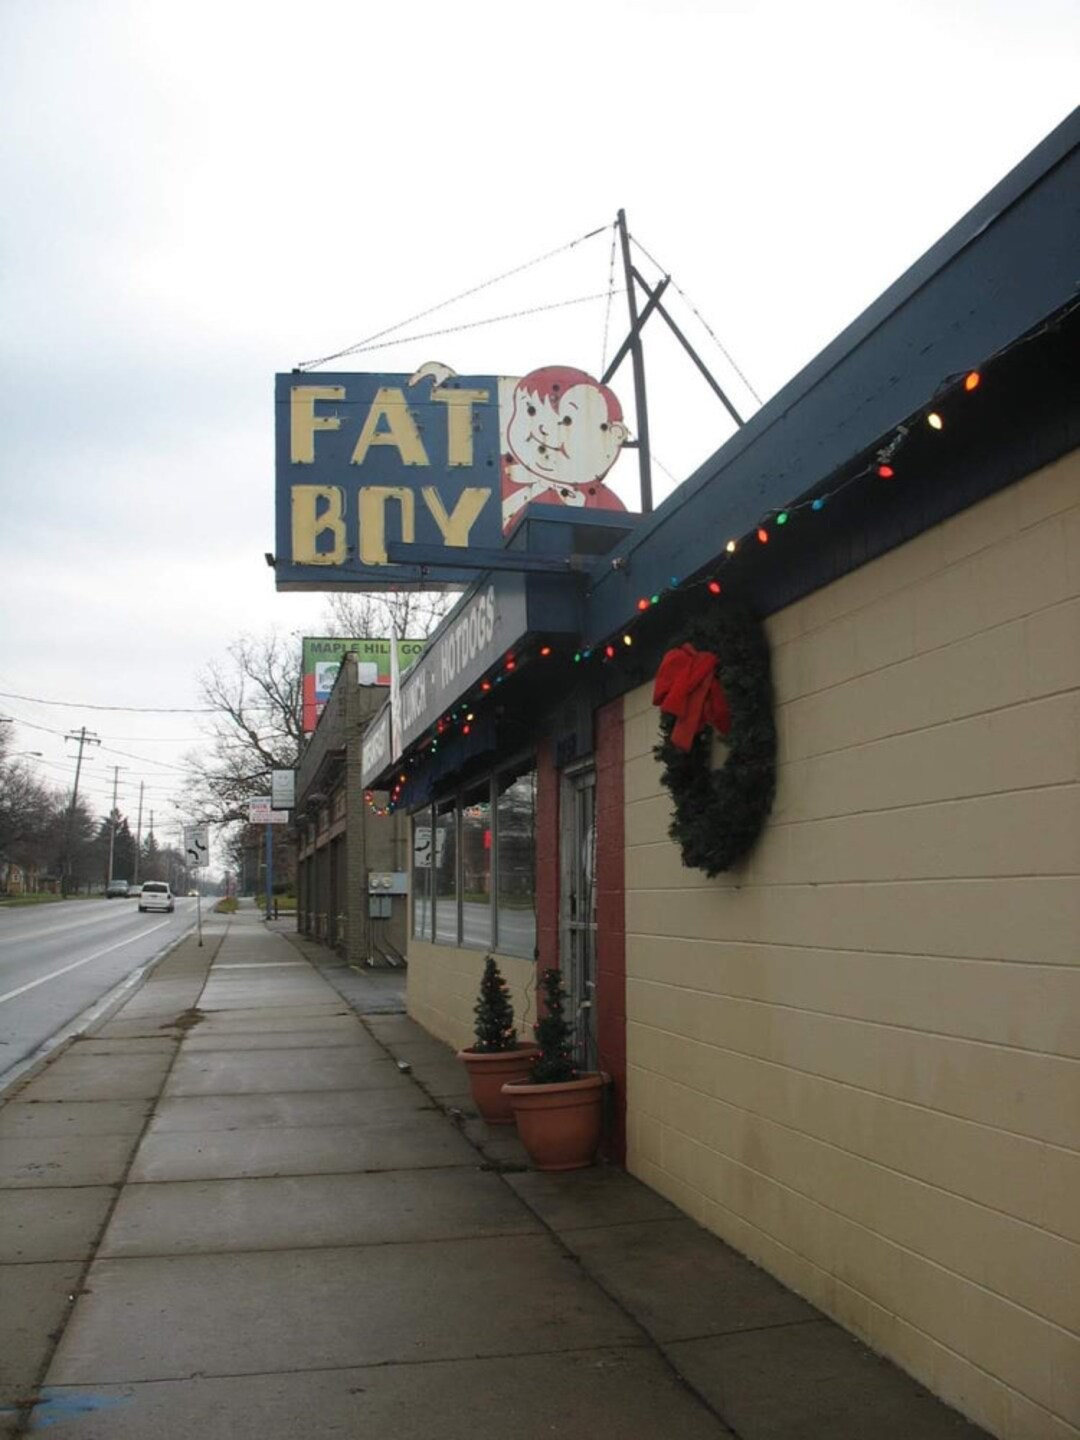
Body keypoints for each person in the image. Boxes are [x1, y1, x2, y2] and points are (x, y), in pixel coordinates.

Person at [500, 365, 629, 531]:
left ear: (615, 434)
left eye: (567, 421)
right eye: (531, 411)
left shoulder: (607, 507)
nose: (543, 429)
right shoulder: (492, 472)